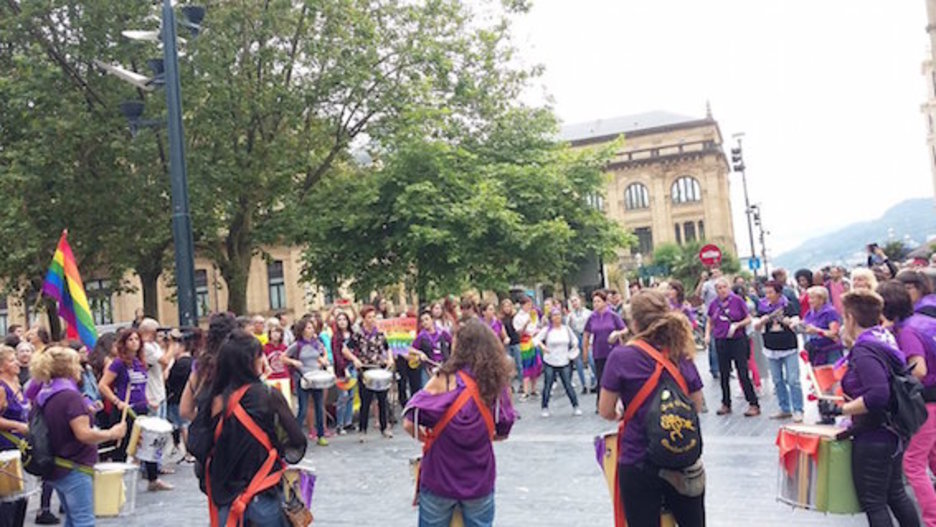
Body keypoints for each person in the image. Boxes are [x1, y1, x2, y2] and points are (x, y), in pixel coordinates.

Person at [598, 290, 705, 526]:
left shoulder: (621, 356)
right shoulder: (681, 352)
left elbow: (605, 410)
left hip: (639, 459)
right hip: (682, 457)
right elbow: (697, 404)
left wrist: (626, 413)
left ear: (634, 323)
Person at [819, 290, 919, 527]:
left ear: (851, 318)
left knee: (874, 502)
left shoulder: (865, 350)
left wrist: (839, 411)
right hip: (891, 430)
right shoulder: (883, 337)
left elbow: (877, 395)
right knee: (895, 494)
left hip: (875, 433)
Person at [403, 321, 516, 527]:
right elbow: (503, 430)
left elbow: (409, 422)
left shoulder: (443, 379)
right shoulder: (496, 383)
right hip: (478, 478)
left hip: (439, 477)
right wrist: (480, 435)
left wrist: (429, 438)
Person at [201, 330, 307, 527]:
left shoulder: (213, 400)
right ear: (251, 361)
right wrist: (275, 447)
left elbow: (198, 447)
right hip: (264, 491)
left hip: (226, 498)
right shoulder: (268, 395)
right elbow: (297, 443)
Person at [34, 346, 128, 527]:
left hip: (56, 465)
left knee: (72, 519)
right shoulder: (70, 397)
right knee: (84, 521)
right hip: (73, 467)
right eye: (77, 363)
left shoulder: (45, 393)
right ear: (68, 368)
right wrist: (112, 433)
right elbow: (83, 434)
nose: (81, 368)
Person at [878, 280, 936, 525]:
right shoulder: (925, 321)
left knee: (912, 463)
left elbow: (919, 370)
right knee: (932, 456)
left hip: (926, 403)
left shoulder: (908, 331)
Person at [98, 329, 172, 491]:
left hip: (141, 409)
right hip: (125, 411)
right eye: (130, 339)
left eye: (136, 339)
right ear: (124, 343)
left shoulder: (140, 363)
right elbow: (103, 385)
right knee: (122, 446)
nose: (134, 342)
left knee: (148, 443)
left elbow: (141, 387)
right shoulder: (118, 363)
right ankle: (117, 482)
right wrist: (117, 402)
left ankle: (153, 479)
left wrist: (148, 401)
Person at [705, 277, 759, 417]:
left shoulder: (737, 300)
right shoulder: (714, 304)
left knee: (742, 372)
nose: (722, 290)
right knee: (724, 373)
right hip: (721, 339)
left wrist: (737, 325)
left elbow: (748, 318)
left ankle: (753, 403)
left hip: (737, 339)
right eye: (719, 288)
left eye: (724, 287)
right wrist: (707, 335)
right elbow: (710, 321)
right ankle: (726, 403)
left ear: (728, 288)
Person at [754, 281, 803, 422]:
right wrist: (762, 320)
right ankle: (784, 408)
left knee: (793, 380)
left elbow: (796, 324)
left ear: (779, 293)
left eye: (771, 292)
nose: (768, 295)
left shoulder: (789, 306)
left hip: (788, 347)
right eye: (766, 292)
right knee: (777, 379)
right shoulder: (763, 307)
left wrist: (787, 321)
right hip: (771, 347)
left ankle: (798, 408)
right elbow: (756, 326)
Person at [344, 305, 394, 440]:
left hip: (379, 368)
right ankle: (363, 430)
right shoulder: (358, 334)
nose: (372, 320)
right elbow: (345, 350)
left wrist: (389, 359)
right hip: (365, 369)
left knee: (382, 400)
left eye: (374, 317)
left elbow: (387, 348)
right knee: (365, 401)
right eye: (369, 317)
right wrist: (355, 359)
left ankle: (385, 428)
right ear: (364, 319)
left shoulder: (380, 333)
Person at [180, 312, 238, 421]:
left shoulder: (201, 366)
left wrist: (203, 422)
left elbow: (185, 410)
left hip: (205, 432)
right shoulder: (240, 363)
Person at [287, 316, 330, 445]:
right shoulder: (297, 345)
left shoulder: (317, 343)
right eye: (309, 328)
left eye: (312, 328)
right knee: (303, 408)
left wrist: (323, 360)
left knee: (319, 406)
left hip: (315, 377)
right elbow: (283, 357)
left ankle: (321, 435)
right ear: (303, 330)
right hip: (303, 378)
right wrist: (294, 361)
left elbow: (324, 353)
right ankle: (295, 436)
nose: (312, 330)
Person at [533, 309, 582, 417]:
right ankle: (544, 407)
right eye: (554, 316)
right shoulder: (547, 330)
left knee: (568, 384)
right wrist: (543, 347)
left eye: (558, 315)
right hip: (550, 360)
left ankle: (576, 406)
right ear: (551, 318)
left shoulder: (566, 329)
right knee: (548, 384)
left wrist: (574, 347)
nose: (557, 318)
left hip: (564, 360)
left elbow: (575, 340)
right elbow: (535, 340)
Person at [0, 345, 29, 527]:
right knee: (9, 498)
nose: (17, 362)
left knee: (22, 497)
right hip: (5, 447)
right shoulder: (1, 388)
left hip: (20, 446)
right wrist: (17, 425)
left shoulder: (17, 383)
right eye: (11, 360)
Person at [583, 290, 627, 410]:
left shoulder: (613, 316)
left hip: (613, 351)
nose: (596, 304)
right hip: (599, 352)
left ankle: (621, 401)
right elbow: (586, 334)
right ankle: (601, 404)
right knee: (601, 378)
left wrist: (617, 334)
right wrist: (585, 351)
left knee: (617, 377)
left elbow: (624, 329)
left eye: (598, 301)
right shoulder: (592, 317)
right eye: (594, 302)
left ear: (605, 302)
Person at [167, 329, 199, 462]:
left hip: (176, 397)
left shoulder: (179, 364)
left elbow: (171, 381)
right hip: (191, 396)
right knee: (186, 424)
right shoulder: (193, 362)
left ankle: (188, 451)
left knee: (182, 425)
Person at [802, 286, 844, 366]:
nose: (809, 301)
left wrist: (817, 330)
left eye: (812, 298)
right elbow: (805, 325)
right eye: (809, 298)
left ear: (821, 299)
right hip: (815, 351)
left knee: (832, 376)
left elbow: (834, 333)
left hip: (830, 351)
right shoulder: (810, 313)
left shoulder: (830, 312)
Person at [138, 318, 170, 420]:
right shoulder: (145, 346)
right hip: (152, 395)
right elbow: (165, 361)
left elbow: (164, 364)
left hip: (160, 392)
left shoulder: (154, 345)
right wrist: (173, 344)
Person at [512, 296, 543, 400]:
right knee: (526, 365)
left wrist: (538, 331)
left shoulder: (533, 314)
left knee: (536, 364)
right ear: (523, 305)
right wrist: (526, 323)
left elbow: (536, 326)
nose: (530, 306)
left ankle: (534, 388)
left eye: (530, 304)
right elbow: (519, 333)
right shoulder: (518, 317)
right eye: (528, 304)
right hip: (525, 342)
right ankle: (525, 390)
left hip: (534, 340)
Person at [331, 311, 356, 435]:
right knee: (343, 396)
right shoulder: (336, 338)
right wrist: (343, 369)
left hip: (353, 366)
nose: (342, 322)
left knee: (351, 395)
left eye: (344, 319)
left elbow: (356, 350)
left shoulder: (352, 335)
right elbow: (337, 355)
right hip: (341, 369)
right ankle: (339, 424)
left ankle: (348, 421)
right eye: (339, 319)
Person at [566, 295, 594, 394]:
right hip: (576, 337)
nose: (574, 303)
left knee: (591, 359)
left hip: (587, 336)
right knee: (578, 363)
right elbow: (568, 329)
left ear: (580, 301)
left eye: (576, 301)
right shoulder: (570, 316)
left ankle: (594, 380)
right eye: (572, 301)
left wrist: (591, 340)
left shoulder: (589, 313)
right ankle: (584, 385)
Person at [500, 299, 523, 392]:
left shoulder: (515, 316)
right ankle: (510, 385)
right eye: (505, 306)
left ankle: (522, 384)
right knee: (508, 365)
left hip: (516, 341)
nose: (507, 308)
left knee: (519, 364)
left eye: (508, 306)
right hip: (507, 343)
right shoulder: (501, 319)